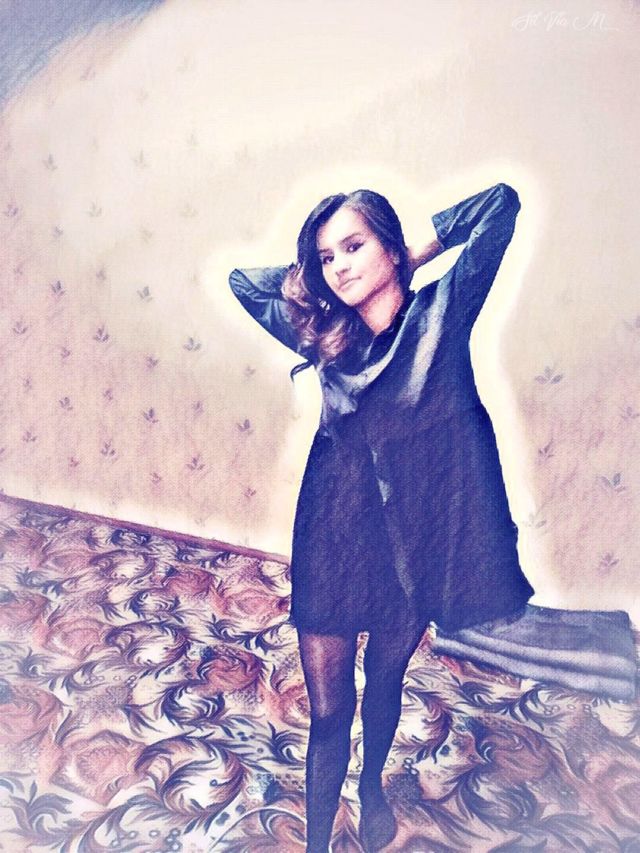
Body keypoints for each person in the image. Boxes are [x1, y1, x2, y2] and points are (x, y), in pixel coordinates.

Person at [229, 181, 534, 852]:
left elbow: (500, 205)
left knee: (387, 678)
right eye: (326, 257)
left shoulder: (443, 310)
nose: (339, 266)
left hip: (415, 535)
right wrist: (318, 282)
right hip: (333, 533)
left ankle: (371, 788)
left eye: (353, 246)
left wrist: (413, 254)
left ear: (389, 248)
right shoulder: (321, 332)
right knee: (329, 711)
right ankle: (316, 843)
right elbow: (243, 283)